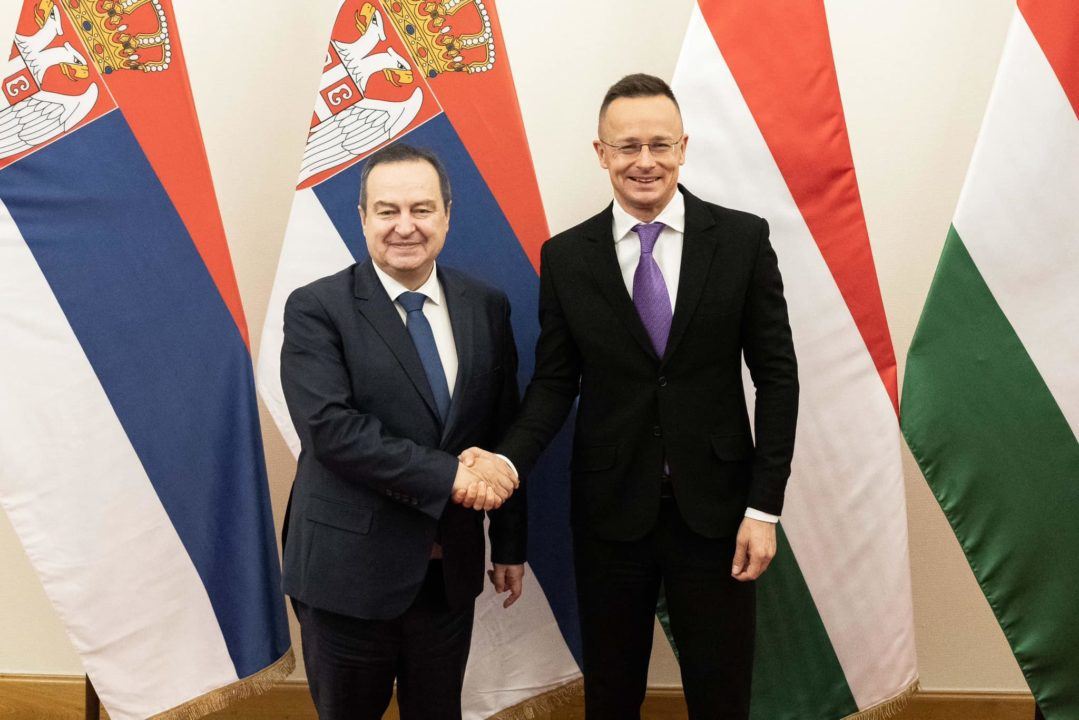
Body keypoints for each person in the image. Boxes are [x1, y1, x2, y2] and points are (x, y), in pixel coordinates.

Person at [464, 74, 799, 719]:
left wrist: (765, 507)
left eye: (660, 144)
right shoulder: (567, 257)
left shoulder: (742, 241)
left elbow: (778, 378)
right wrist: (506, 461)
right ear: (601, 153)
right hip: (610, 514)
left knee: (722, 695)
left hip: (719, 514)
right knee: (612, 696)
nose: (645, 161)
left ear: (683, 148)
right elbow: (555, 383)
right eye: (627, 147)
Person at [279, 143, 525, 720]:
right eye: (387, 211)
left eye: (421, 209)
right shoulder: (316, 307)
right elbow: (332, 431)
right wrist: (451, 477)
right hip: (347, 575)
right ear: (362, 217)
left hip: (448, 574)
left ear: (447, 215)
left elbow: (502, 429)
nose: (405, 226)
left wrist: (510, 541)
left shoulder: (486, 306)